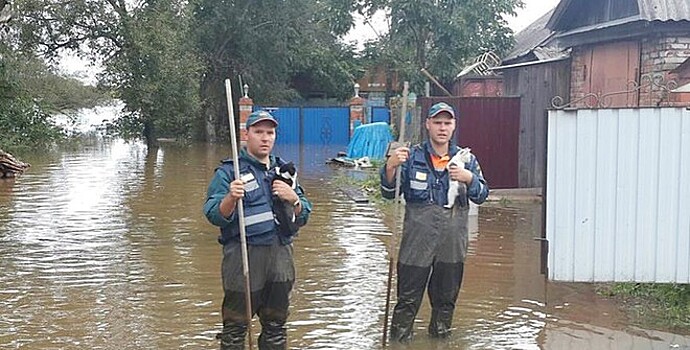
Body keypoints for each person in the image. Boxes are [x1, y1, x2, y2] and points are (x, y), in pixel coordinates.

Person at [380, 101, 489, 342]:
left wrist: (469, 178)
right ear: (427, 124)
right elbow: (388, 193)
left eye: (447, 123)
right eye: (437, 122)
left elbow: (482, 195)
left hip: (451, 247)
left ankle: (440, 343)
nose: (442, 128)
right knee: (407, 302)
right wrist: (390, 166)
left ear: (454, 126)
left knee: (445, 304)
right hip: (416, 245)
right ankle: (398, 343)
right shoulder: (409, 157)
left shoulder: (466, 159)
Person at [203, 110, 312, 350]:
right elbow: (212, 214)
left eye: (270, 133)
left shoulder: (285, 172)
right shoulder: (229, 173)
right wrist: (231, 198)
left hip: (281, 259)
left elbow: (304, 214)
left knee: (276, 327)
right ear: (246, 135)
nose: (265, 138)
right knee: (235, 330)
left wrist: (294, 199)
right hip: (243, 258)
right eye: (259, 132)